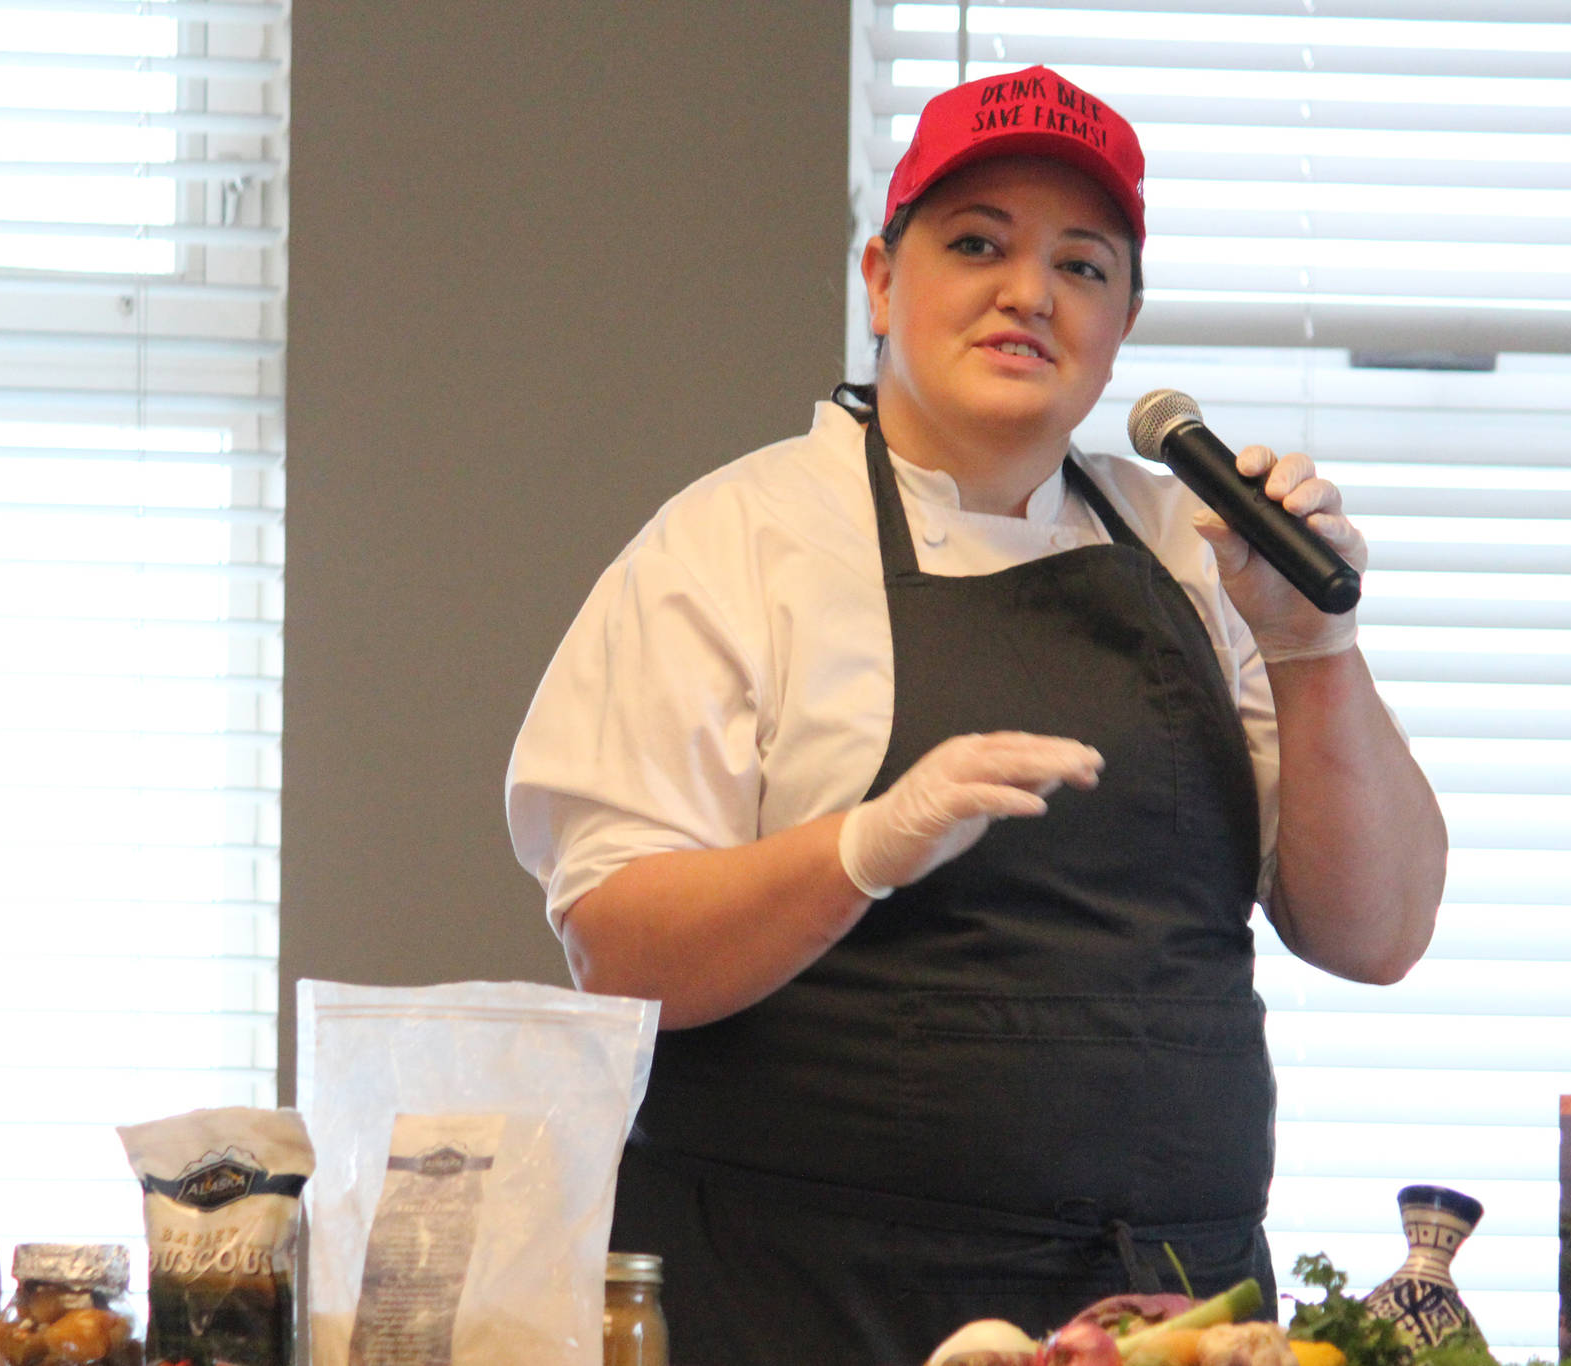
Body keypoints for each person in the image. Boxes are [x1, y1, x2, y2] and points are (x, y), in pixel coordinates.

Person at [507, 64, 1446, 1366]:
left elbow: (1377, 931)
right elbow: (619, 948)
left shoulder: (1197, 546)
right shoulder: (737, 546)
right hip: (811, 1304)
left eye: (1083, 264)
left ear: (1123, 323)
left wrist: (1314, 645)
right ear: (881, 279)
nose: (1030, 293)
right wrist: (859, 849)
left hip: (1169, 1315)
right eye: (977, 245)